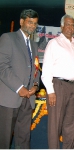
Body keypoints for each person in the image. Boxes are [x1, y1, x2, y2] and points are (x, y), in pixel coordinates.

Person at [41, 14, 74, 149]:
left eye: (73, 25)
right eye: (68, 24)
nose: (70, 27)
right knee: (55, 125)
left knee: (71, 125)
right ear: (62, 26)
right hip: (58, 87)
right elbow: (46, 69)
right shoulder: (54, 43)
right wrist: (50, 91)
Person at [0, 9, 39, 148]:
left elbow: (36, 69)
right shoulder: (7, 38)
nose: (32, 26)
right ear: (21, 22)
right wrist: (19, 88)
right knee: (3, 140)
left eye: (35, 23)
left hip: (28, 100)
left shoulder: (34, 45)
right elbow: (2, 67)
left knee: (23, 140)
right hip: (10, 98)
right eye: (30, 22)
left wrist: (35, 85)